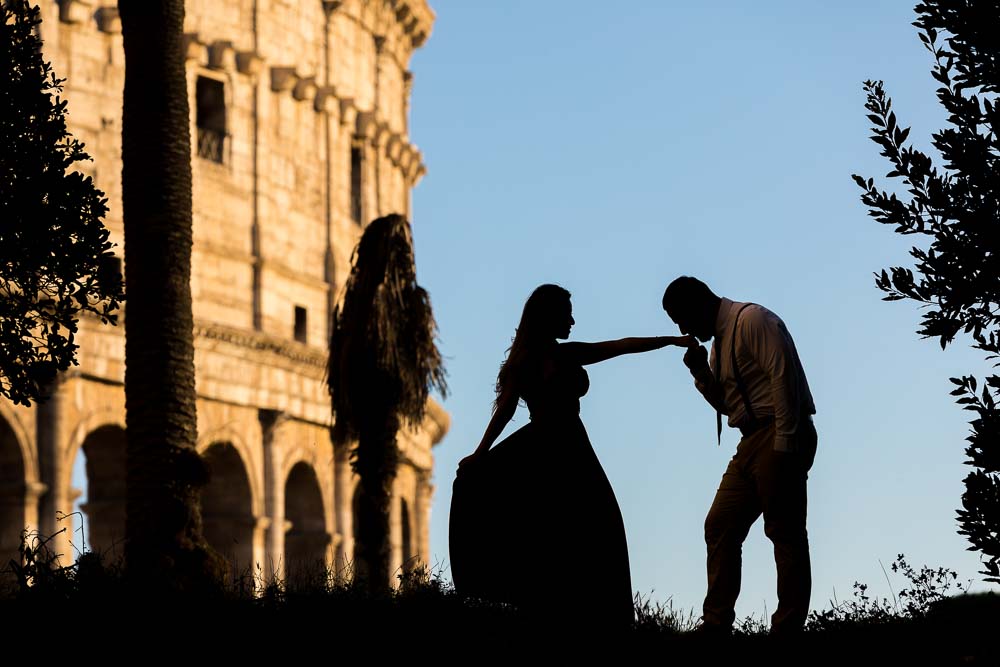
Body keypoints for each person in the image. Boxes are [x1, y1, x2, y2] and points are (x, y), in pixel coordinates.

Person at [449, 284, 693, 631]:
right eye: (567, 314)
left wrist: (668, 341)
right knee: (572, 527)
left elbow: (619, 347)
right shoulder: (529, 363)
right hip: (551, 449)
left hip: (569, 446)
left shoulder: (563, 354)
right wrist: (479, 454)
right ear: (550, 317)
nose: (573, 321)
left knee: (590, 526)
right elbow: (504, 412)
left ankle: (590, 617)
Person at [661, 276, 817, 636]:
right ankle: (716, 623)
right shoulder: (718, 346)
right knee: (720, 524)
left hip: (779, 430)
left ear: (698, 304)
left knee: (785, 530)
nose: (683, 329)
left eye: (682, 319)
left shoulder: (753, 320)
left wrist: (786, 442)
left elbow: (784, 376)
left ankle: (788, 626)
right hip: (749, 441)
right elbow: (729, 405)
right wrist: (701, 372)